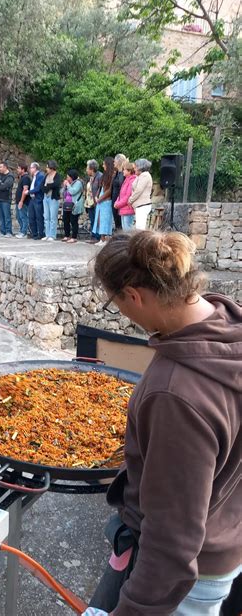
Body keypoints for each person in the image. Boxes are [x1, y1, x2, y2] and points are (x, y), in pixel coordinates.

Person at [87, 230, 241, 616]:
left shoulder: (175, 394)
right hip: (227, 534)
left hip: (188, 579)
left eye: (117, 305)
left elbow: (172, 541)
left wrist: (134, 609)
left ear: (134, 296)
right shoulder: (229, 325)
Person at [93, 156, 115, 246]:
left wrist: (100, 198)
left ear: (107, 164)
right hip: (100, 200)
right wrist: (96, 196)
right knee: (99, 219)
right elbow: (100, 187)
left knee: (105, 220)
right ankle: (101, 239)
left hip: (106, 200)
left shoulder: (112, 175)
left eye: (104, 163)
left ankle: (105, 239)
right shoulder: (104, 175)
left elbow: (109, 191)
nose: (102, 165)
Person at [129, 158, 153, 230]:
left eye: (135, 167)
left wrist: (130, 200)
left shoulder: (145, 175)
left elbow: (138, 190)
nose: (134, 169)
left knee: (140, 228)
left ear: (140, 167)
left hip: (142, 205)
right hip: (139, 206)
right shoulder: (140, 176)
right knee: (138, 227)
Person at [61, 169, 84, 244]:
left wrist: (68, 185)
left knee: (73, 221)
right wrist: (64, 187)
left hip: (74, 205)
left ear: (72, 177)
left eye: (68, 177)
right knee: (65, 220)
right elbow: (62, 193)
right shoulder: (68, 184)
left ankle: (74, 237)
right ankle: (67, 235)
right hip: (67, 204)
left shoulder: (78, 183)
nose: (67, 178)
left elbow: (73, 192)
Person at [0, 161, 15, 237]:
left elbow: (5, 186)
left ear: (5, 167)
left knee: (7, 216)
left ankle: (9, 232)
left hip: (5, 199)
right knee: (0, 217)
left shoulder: (10, 176)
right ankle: (2, 232)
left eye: (1, 167)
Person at [42, 160, 62, 241]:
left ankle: (52, 235)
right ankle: (47, 234)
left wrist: (47, 186)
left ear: (51, 167)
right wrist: (48, 187)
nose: (46, 168)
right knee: (46, 217)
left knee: (53, 217)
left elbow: (56, 184)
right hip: (45, 197)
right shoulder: (46, 176)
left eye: (47, 167)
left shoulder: (57, 175)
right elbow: (41, 186)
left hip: (53, 198)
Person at [114, 161, 136, 230]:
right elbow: (121, 194)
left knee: (128, 231)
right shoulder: (126, 180)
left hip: (128, 209)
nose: (123, 171)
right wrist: (116, 202)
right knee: (125, 229)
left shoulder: (132, 180)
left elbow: (128, 196)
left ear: (129, 171)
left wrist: (118, 204)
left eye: (124, 170)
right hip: (123, 209)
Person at [85, 160, 102, 243]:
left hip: (97, 202)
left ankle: (98, 237)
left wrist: (97, 198)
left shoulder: (99, 176)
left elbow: (101, 189)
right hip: (90, 203)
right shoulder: (91, 178)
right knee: (92, 220)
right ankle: (94, 236)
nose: (86, 170)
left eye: (87, 168)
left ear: (92, 169)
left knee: (97, 220)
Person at [28, 162, 45, 240]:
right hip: (32, 199)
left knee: (39, 217)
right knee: (31, 216)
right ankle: (34, 233)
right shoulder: (34, 176)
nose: (30, 169)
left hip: (37, 198)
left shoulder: (40, 176)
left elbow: (38, 188)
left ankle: (40, 234)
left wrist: (29, 192)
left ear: (35, 168)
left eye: (31, 168)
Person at [15, 163, 31, 238]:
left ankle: (24, 232)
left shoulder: (26, 178)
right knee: (18, 216)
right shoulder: (21, 177)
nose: (17, 170)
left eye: (18, 168)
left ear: (23, 169)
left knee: (23, 216)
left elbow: (25, 190)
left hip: (23, 202)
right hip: (19, 201)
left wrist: (21, 201)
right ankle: (21, 231)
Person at [111, 154, 127, 231]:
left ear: (118, 161)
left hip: (120, 201)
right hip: (114, 200)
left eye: (115, 161)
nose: (113, 162)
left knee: (120, 222)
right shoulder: (117, 173)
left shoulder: (123, 174)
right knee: (117, 221)